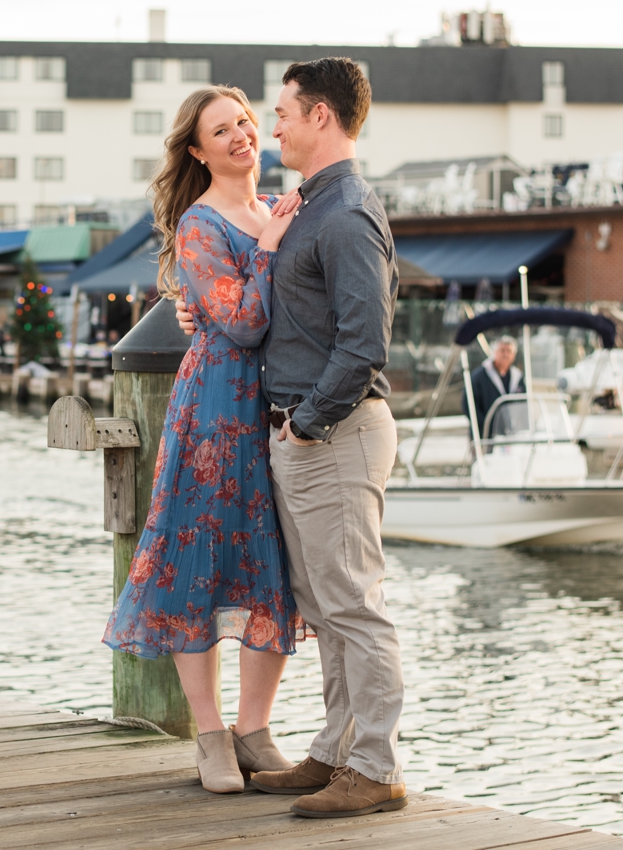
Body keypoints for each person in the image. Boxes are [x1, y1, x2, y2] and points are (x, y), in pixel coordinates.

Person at [177, 57, 405, 819]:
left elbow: (363, 342)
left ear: (320, 118)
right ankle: (338, 750)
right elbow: (252, 295)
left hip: (330, 433)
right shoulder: (304, 206)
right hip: (299, 435)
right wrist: (192, 310)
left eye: (278, 112)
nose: (266, 125)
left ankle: (373, 765)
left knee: (354, 603)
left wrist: (306, 424)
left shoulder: (343, 213)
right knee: (328, 603)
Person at [102, 85, 305, 795]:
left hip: (275, 409)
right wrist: (270, 250)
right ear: (198, 150)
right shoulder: (201, 224)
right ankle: (210, 733)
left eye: (246, 121)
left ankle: (256, 729)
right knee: (199, 566)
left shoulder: (280, 209)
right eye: (222, 130)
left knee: (270, 570)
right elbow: (245, 322)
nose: (242, 135)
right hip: (214, 411)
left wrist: (275, 244)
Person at [468, 335, 524, 440]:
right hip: (484, 435)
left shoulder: (518, 378)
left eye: (509, 351)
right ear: (495, 352)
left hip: (511, 434)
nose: (505, 354)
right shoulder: (479, 376)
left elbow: (523, 404)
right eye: (502, 350)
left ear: (514, 355)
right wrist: (483, 425)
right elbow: (469, 404)